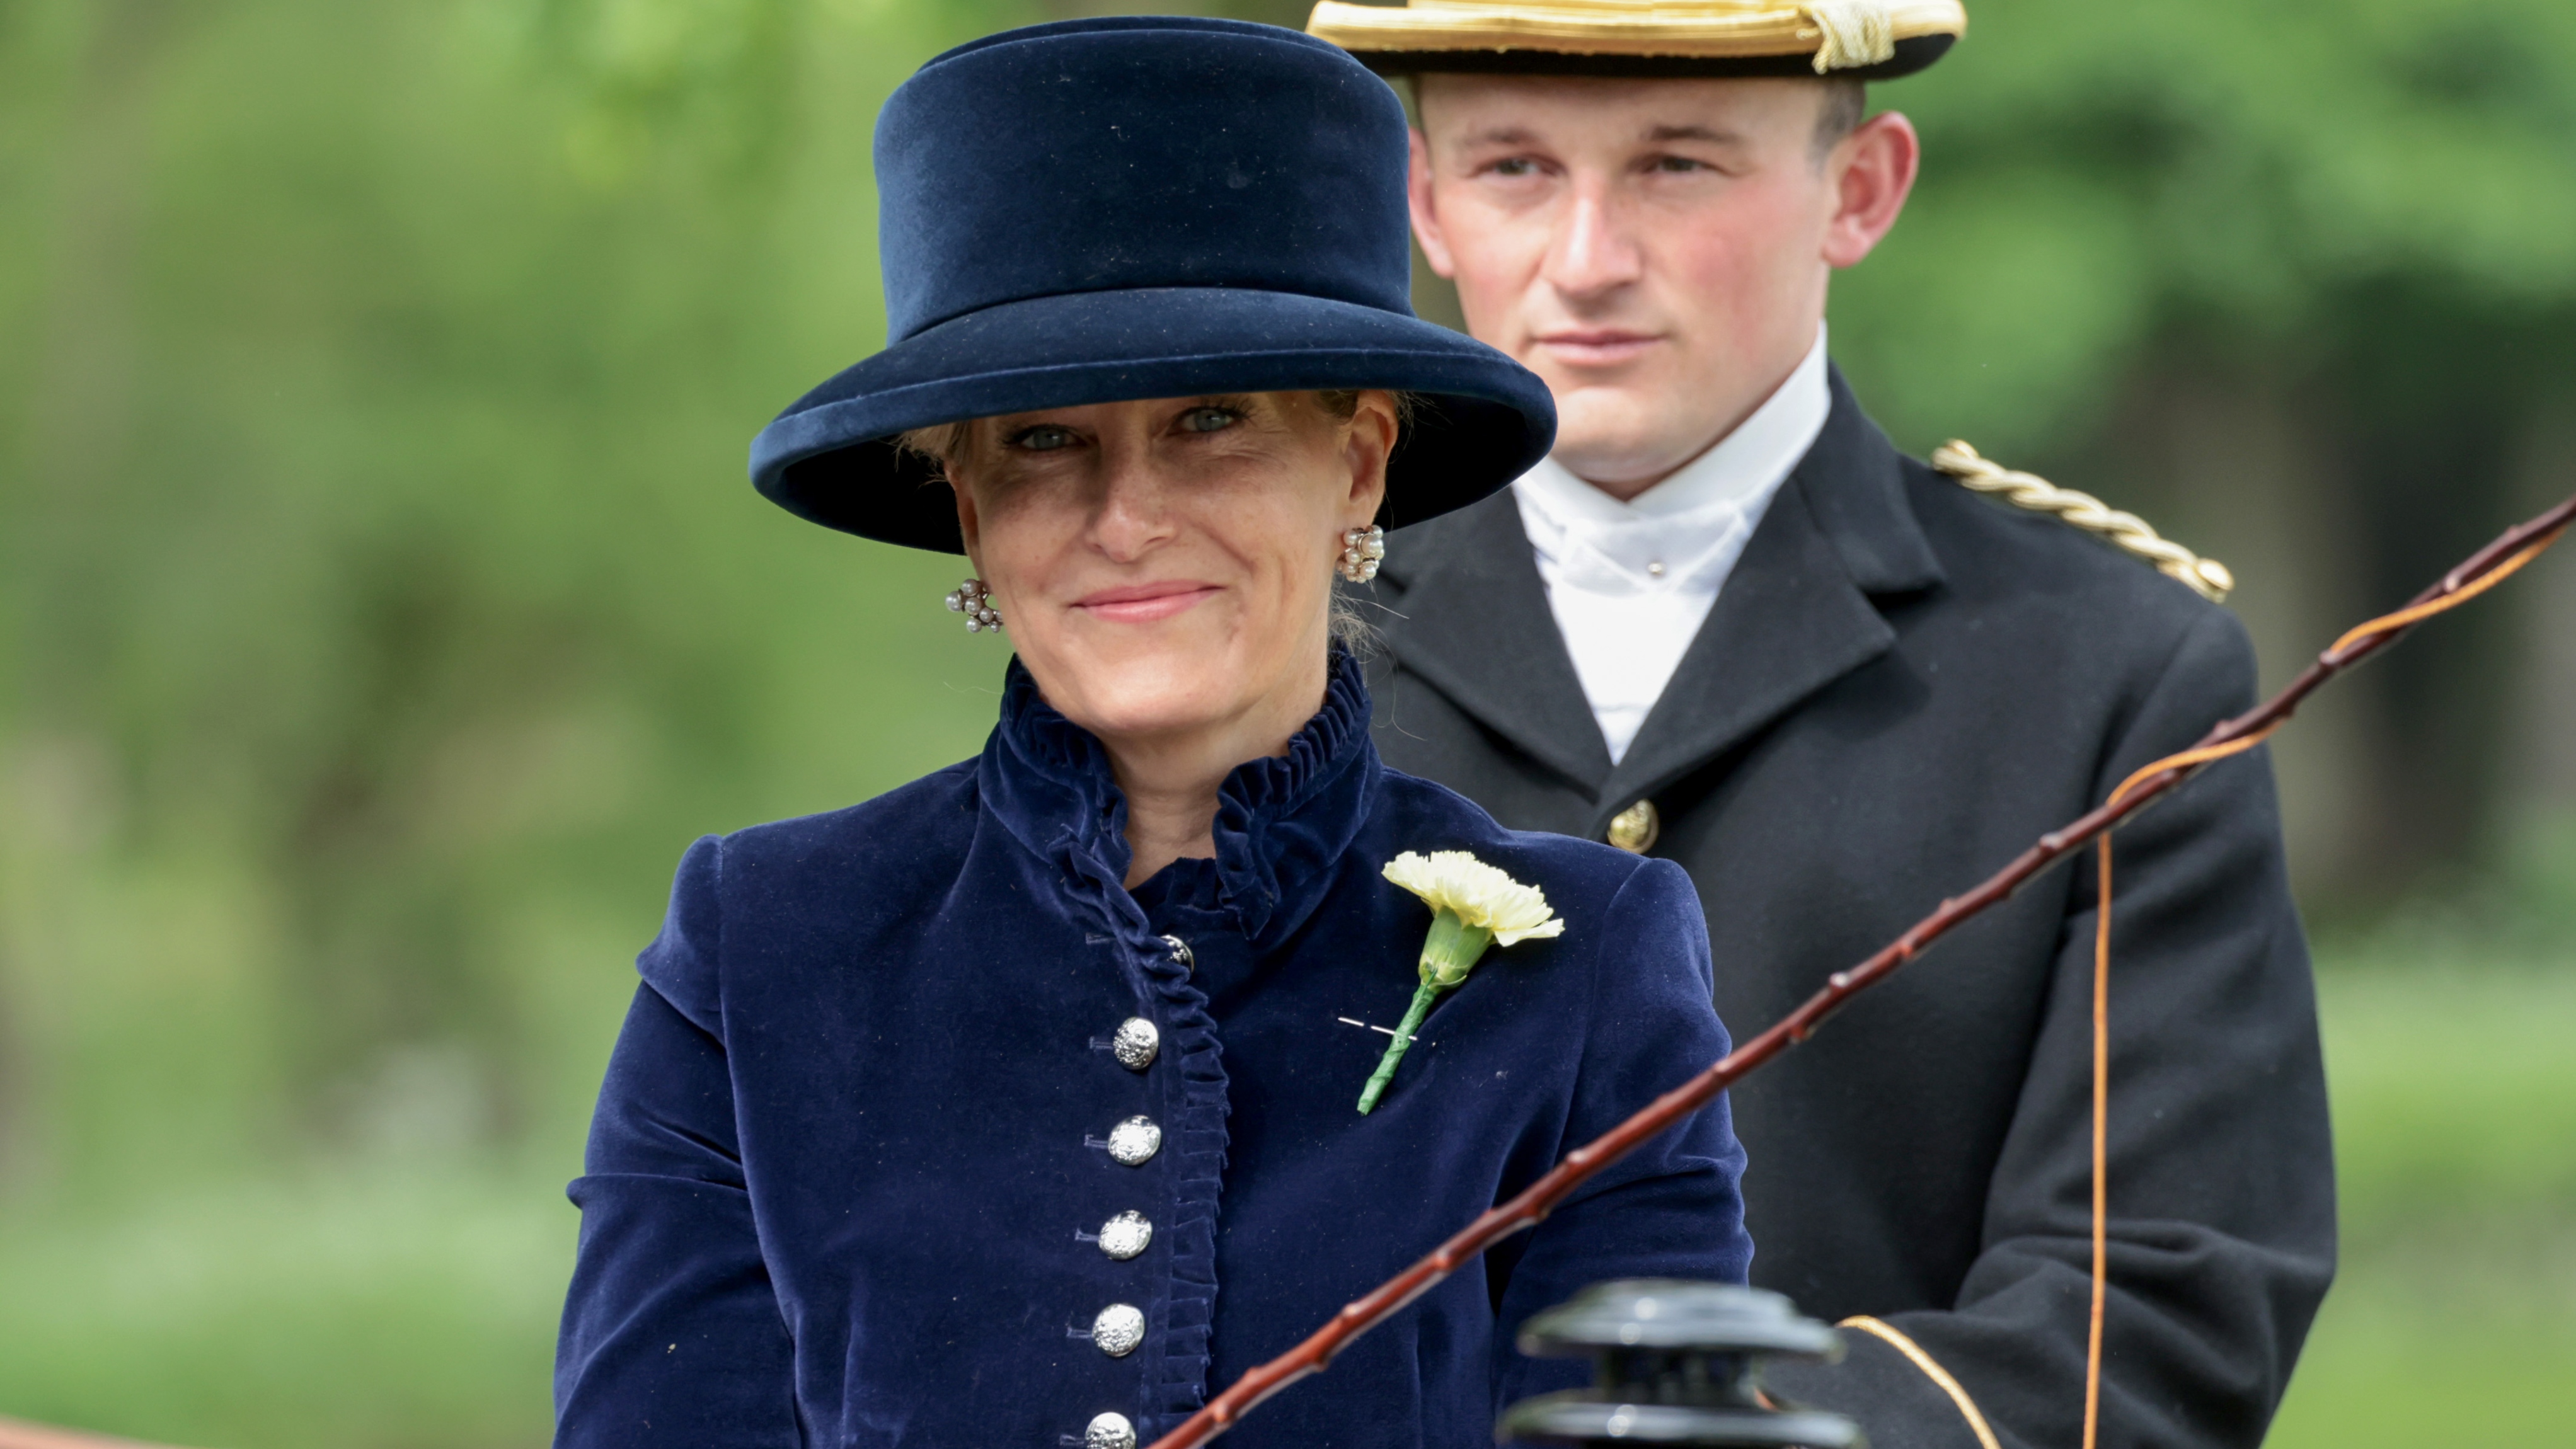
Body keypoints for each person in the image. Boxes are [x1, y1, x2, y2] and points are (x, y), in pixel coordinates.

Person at [551, 18, 1754, 1449]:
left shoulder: (1593, 962)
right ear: (968, 513)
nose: (1126, 521)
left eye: (1210, 421)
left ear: (1357, 464)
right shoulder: (760, 948)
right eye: (1043, 443)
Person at [1299, 3, 2335, 1446]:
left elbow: (2157, 1305)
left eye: (1677, 167)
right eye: (1515, 169)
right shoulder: (1275, 648)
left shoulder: (2113, 671)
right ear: (1423, 200)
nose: (1585, 258)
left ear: (1861, 190)